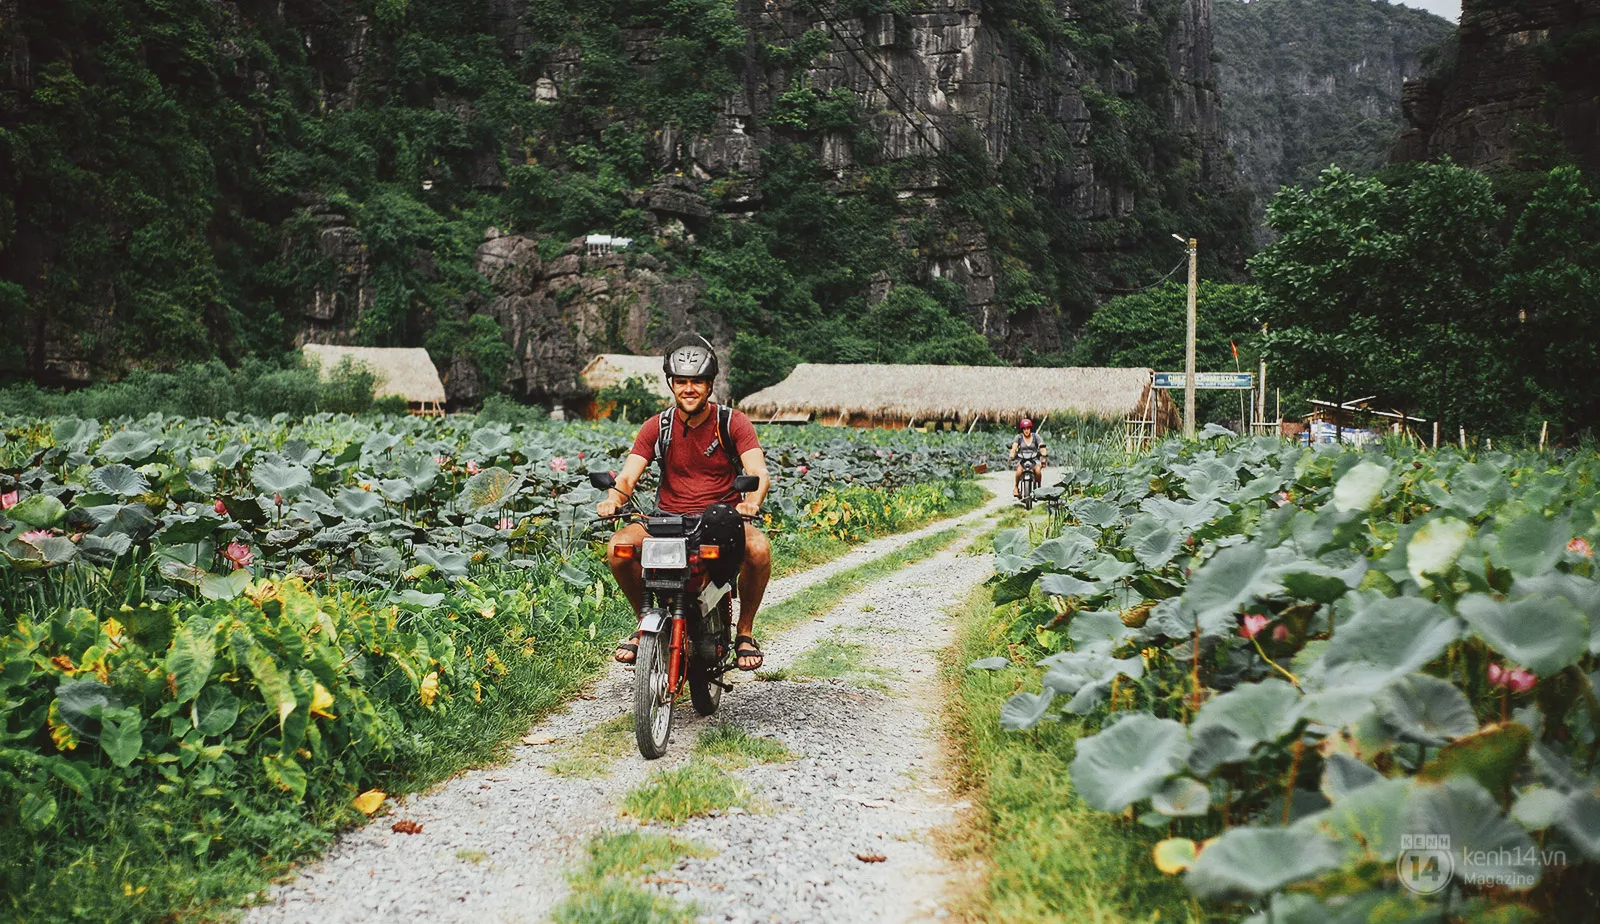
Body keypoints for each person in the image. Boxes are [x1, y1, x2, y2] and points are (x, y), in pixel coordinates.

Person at [596, 339, 773, 671]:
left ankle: (745, 632)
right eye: (681, 382)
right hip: (667, 519)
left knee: (760, 549)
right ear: (672, 384)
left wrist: (751, 502)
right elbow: (628, 476)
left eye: (696, 382)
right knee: (618, 548)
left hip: (720, 520)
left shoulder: (732, 423)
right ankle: (645, 620)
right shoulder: (657, 426)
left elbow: (758, 472)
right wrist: (612, 499)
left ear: (709, 385)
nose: (689, 389)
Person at [1009, 418, 1047, 497]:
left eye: (1028, 428)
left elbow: (1041, 445)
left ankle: (1039, 486)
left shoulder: (1036, 436)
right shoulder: (1018, 437)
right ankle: (1016, 487)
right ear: (1022, 430)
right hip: (1022, 459)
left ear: (1030, 429)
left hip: (1034, 459)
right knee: (1019, 471)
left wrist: (1043, 452)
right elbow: (1014, 446)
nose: (1026, 431)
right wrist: (1012, 454)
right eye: (1024, 429)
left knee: (1038, 471)